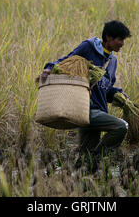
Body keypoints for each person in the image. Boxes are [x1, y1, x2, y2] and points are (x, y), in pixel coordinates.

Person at [40, 20, 131, 171]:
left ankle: (72, 178)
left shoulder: (112, 60)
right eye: (120, 39)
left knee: (85, 161)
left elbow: (106, 89)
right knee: (121, 127)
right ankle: (94, 158)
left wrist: (118, 95)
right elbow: (67, 60)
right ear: (108, 37)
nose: (122, 43)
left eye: (123, 40)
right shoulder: (89, 47)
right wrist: (49, 68)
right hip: (85, 108)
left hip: (99, 111)